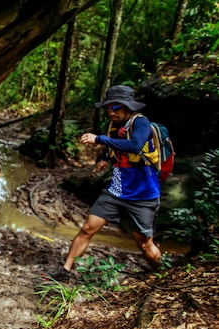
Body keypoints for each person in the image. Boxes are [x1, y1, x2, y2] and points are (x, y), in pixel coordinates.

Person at [47, 85, 162, 282]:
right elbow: (115, 147)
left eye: (115, 107)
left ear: (128, 107)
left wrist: (98, 139)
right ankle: (65, 271)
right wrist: (106, 159)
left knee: (144, 244)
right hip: (115, 192)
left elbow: (134, 145)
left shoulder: (141, 123)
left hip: (143, 196)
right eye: (108, 108)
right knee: (87, 229)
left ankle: (162, 274)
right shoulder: (113, 126)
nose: (111, 112)